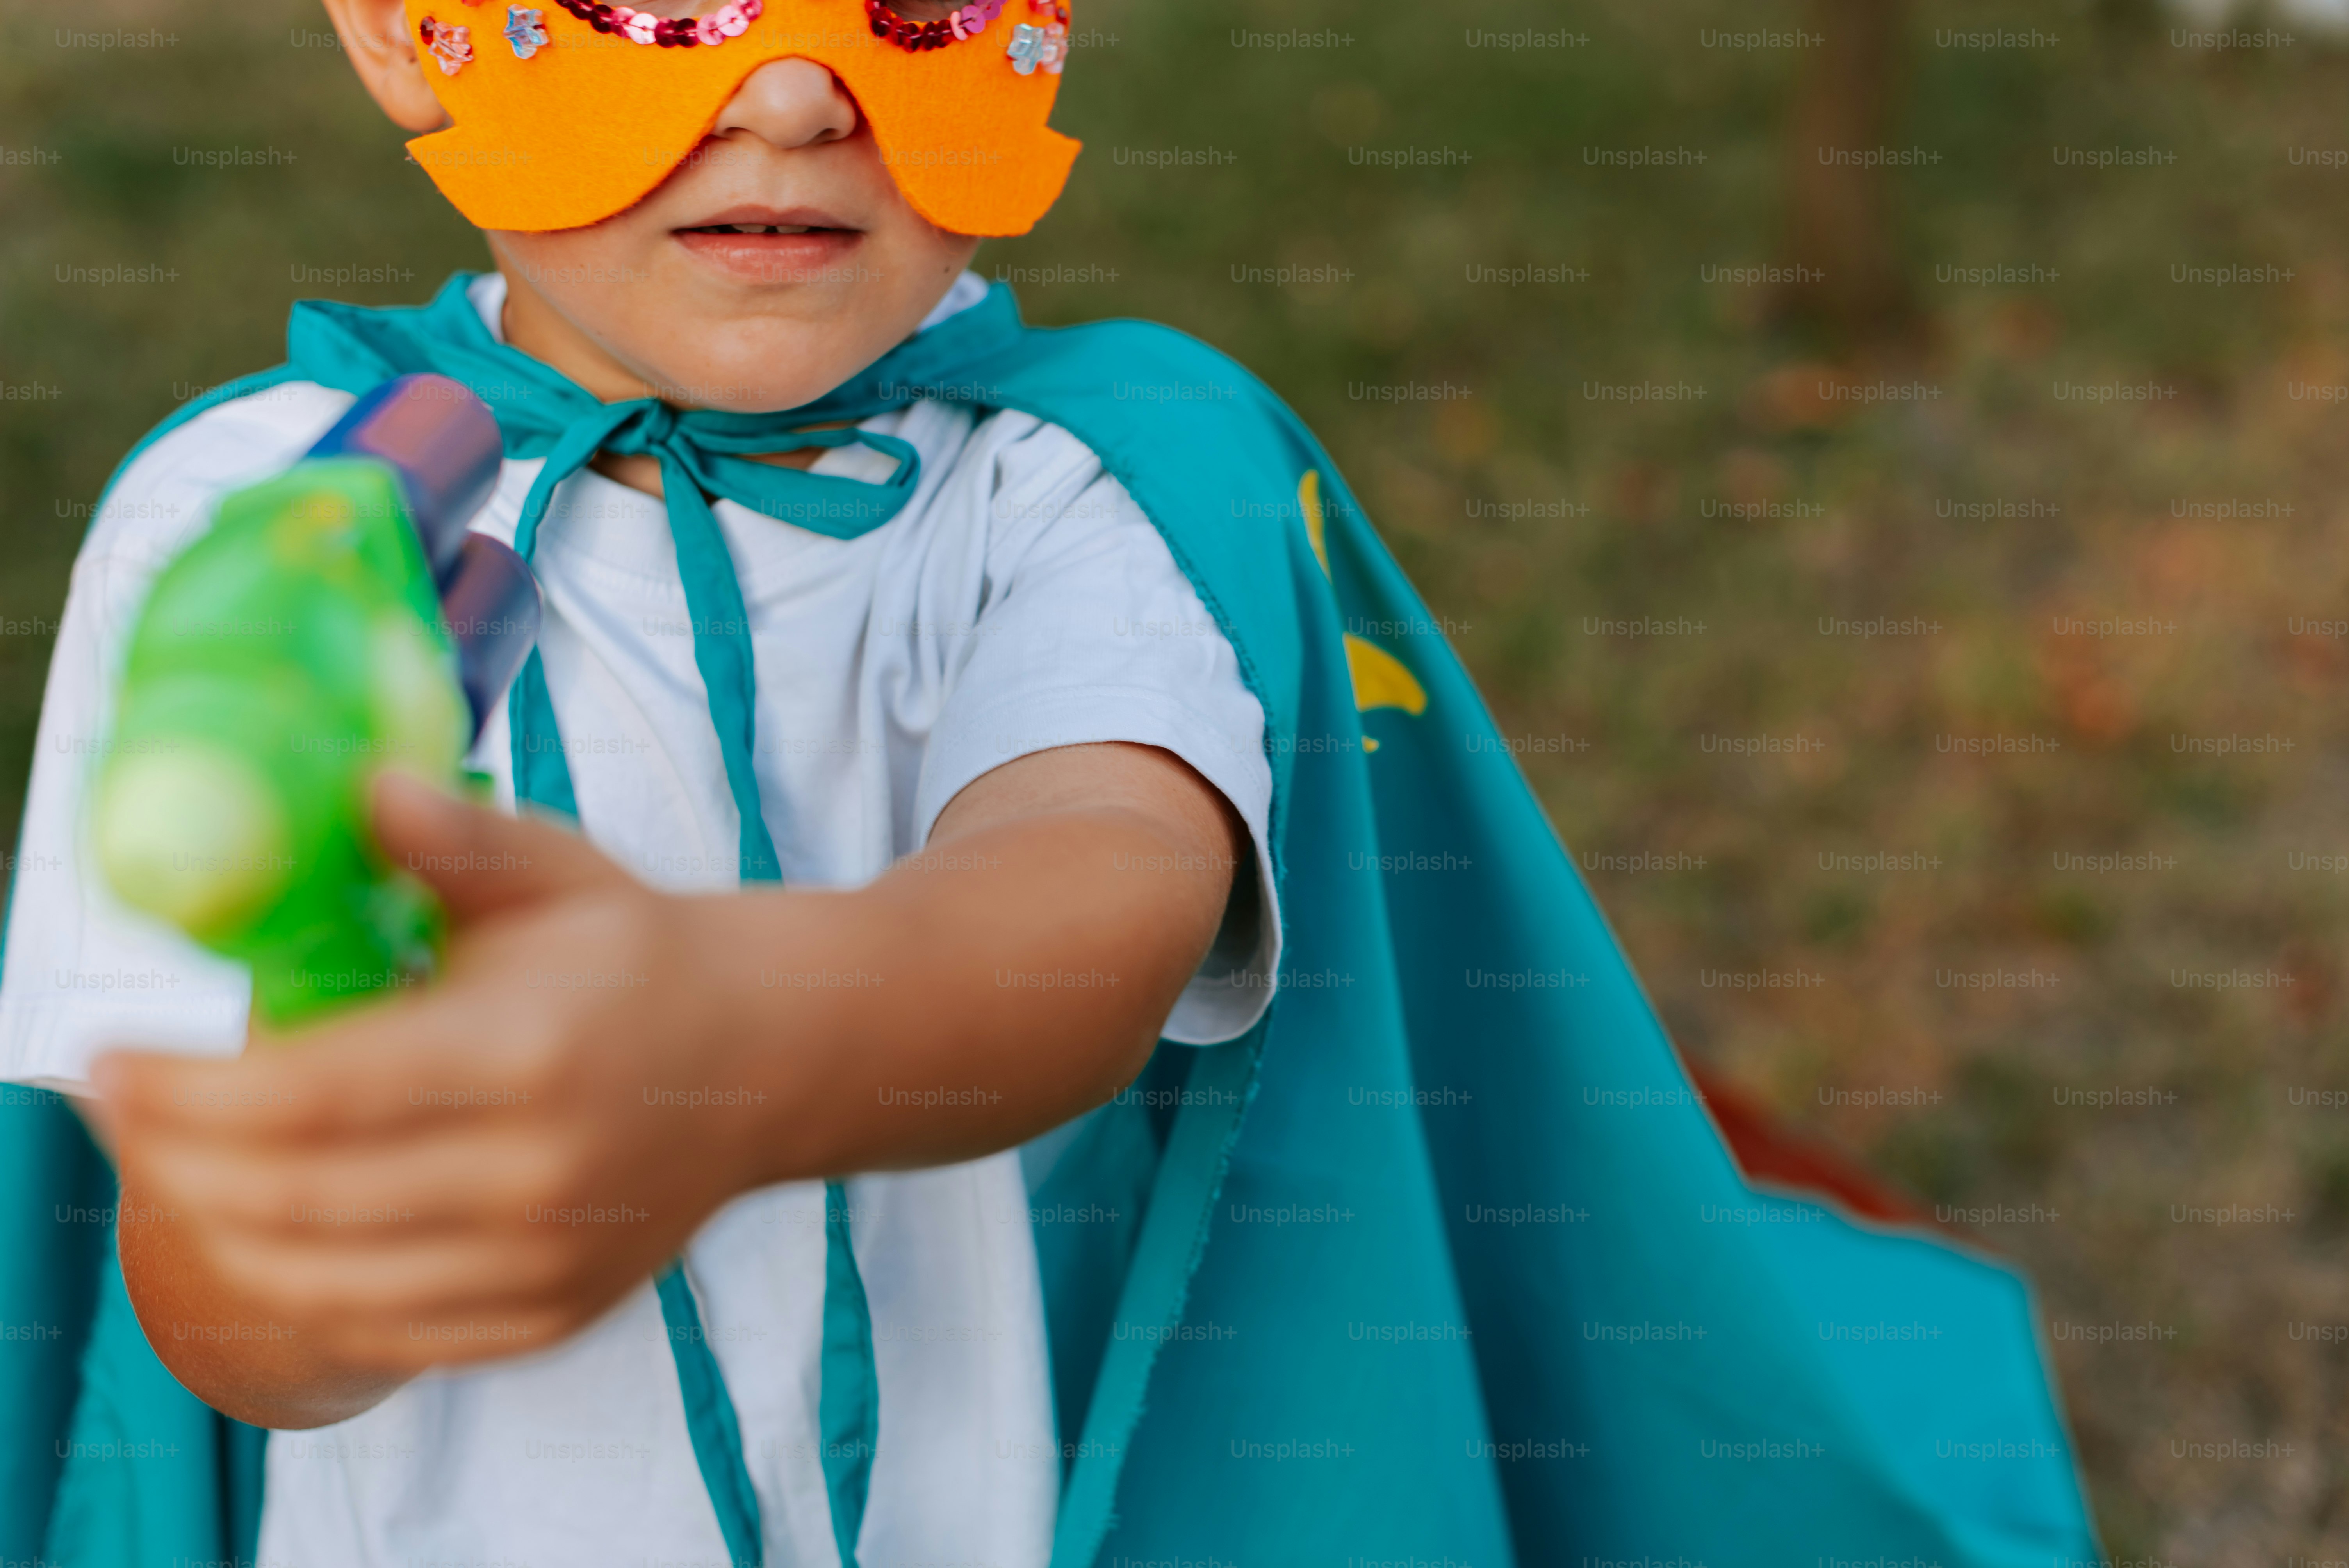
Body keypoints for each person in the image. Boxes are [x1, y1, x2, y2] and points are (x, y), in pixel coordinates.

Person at [0, 2, 2104, 1564]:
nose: (802, 89)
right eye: (663, 2)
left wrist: (728, 1050)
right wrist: (333, 1213)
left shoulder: (1085, 476)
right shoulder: (243, 529)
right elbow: (216, 1323)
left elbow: (1093, 892)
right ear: (401, 34)